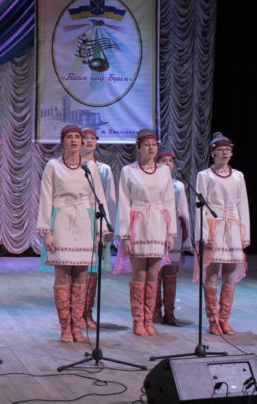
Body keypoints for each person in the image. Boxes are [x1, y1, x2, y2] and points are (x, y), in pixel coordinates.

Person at [38, 125, 109, 342]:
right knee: (63, 274)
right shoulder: (53, 166)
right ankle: (65, 328)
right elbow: (46, 198)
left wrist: (100, 231)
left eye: (77, 137)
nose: (74, 140)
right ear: (63, 141)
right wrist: (47, 231)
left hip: (84, 222)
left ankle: (77, 326)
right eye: (69, 137)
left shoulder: (90, 167)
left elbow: (98, 198)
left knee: (81, 275)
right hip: (61, 220)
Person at [113, 129, 176, 336]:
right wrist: (124, 234)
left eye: (154, 144)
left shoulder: (164, 171)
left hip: (158, 223)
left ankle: (149, 320)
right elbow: (124, 203)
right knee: (140, 273)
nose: (151, 148)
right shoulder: (128, 171)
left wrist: (171, 233)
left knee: (153, 274)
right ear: (139, 147)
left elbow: (169, 201)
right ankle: (138, 321)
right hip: (138, 223)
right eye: (147, 144)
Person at [194, 132, 249, 335]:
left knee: (229, 273)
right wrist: (204, 233)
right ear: (213, 153)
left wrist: (244, 234)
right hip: (213, 225)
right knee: (211, 273)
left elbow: (243, 205)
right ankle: (213, 320)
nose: (225, 153)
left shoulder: (238, 176)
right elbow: (200, 207)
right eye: (221, 150)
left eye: (228, 150)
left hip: (232, 225)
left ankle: (225, 319)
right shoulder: (204, 175)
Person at [79, 127, 117, 328]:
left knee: (93, 270)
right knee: (76, 269)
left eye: (92, 138)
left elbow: (109, 200)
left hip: (96, 220)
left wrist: (108, 228)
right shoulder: (71, 166)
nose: (89, 141)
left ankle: (87, 313)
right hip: (76, 219)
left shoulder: (104, 169)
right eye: (85, 138)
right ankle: (75, 314)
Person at [152, 148, 192, 325]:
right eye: (164, 161)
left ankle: (170, 312)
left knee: (170, 273)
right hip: (155, 226)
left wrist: (186, 239)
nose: (167, 164)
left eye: (170, 161)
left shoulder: (178, 186)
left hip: (174, 229)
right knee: (156, 271)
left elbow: (184, 213)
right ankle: (154, 312)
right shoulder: (152, 183)